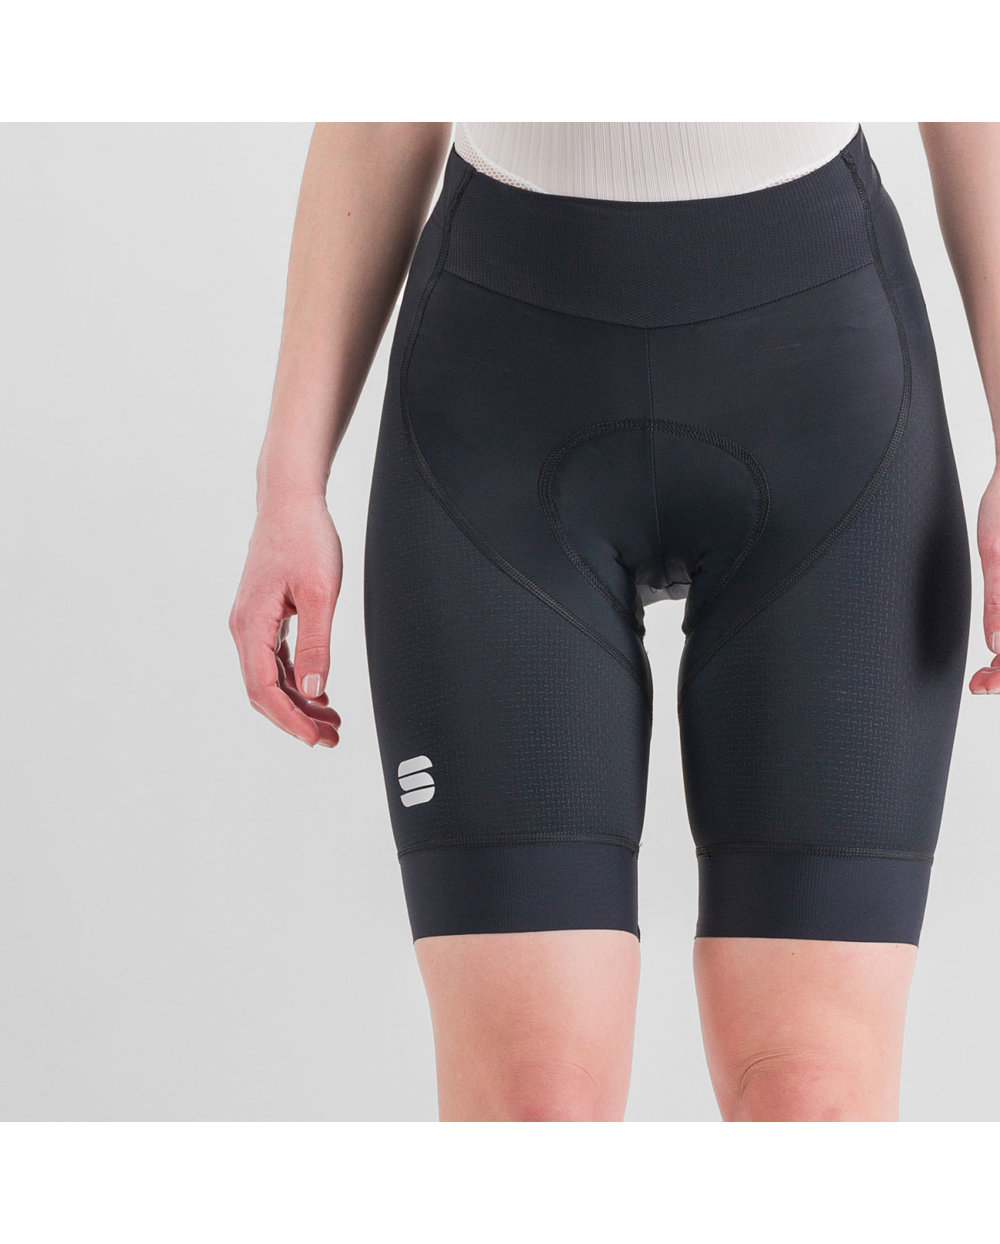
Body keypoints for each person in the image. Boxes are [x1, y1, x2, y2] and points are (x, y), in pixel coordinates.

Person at [229, 122, 1000, 1122]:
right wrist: (289, 484)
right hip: (496, 398)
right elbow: (378, 115)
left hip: (824, 390)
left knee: (815, 1099)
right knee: (531, 1105)